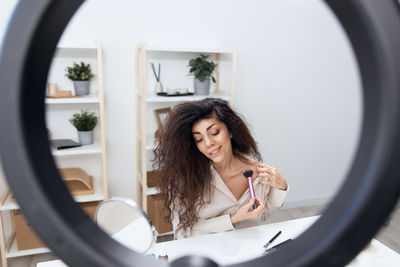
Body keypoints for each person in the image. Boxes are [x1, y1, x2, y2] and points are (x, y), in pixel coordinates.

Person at [153, 98, 288, 239]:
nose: (209, 143)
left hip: (249, 249)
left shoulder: (255, 170)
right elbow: (183, 232)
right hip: (207, 253)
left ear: (230, 131)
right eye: (199, 139)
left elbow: (262, 214)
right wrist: (232, 219)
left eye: (215, 132)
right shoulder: (186, 179)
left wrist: (281, 187)